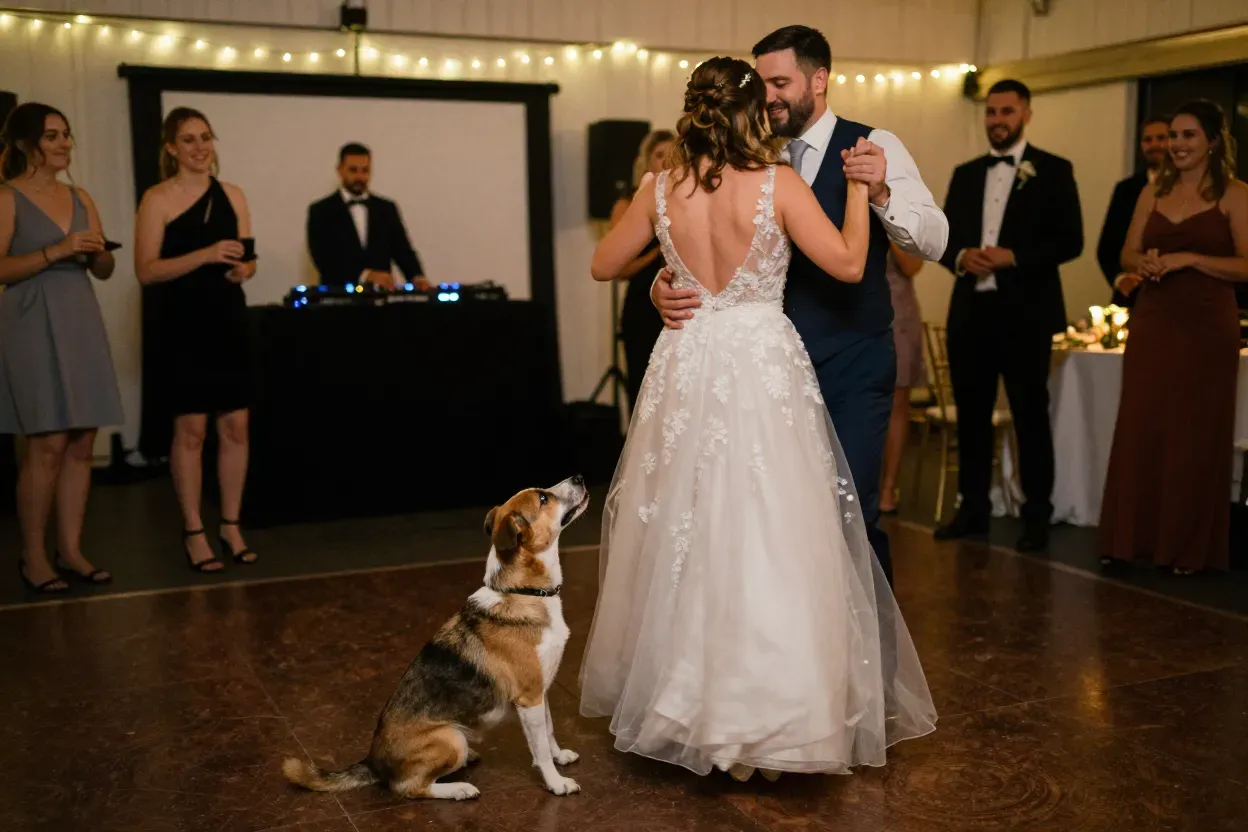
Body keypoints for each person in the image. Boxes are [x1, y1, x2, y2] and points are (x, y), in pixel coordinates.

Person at [580, 56, 935, 783]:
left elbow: (600, 263)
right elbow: (843, 264)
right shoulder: (779, 184)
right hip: (760, 362)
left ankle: (687, 709)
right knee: (770, 533)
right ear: (753, 113)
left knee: (687, 531)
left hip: (687, 362)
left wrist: (663, 269)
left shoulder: (661, 185)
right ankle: (773, 721)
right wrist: (861, 197)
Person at [651, 26, 948, 587]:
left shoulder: (872, 143)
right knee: (771, 517)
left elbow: (932, 239)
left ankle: (867, 659)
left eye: (781, 82)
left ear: (819, 79)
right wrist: (659, 286)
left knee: (851, 510)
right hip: (764, 374)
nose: (769, 97)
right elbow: (696, 243)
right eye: (761, 84)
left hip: (852, 360)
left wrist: (881, 193)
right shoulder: (747, 153)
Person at [934, 79, 1083, 552]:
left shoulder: (1055, 171)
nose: (997, 120)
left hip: (1026, 315)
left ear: (1026, 114)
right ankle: (972, 508)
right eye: (991, 113)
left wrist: (1012, 256)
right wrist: (961, 258)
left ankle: (1037, 514)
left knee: (1029, 415)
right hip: (971, 313)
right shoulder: (966, 172)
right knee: (972, 416)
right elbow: (943, 238)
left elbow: (1071, 241)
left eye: (1006, 112)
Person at [1099, 100, 1247, 575]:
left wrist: (1188, 260)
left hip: (1208, 324)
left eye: (1187, 136)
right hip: (1154, 318)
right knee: (1143, 425)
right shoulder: (1153, 193)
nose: (1177, 145)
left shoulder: (1237, 194)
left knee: (1195, 432)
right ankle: (1131, 541)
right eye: (1173, 136)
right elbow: (1125, 251)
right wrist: (1139, 263)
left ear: (1211, 141)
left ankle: (1187, 550)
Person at [0, 102, 124, 593]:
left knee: (80, 440)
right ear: (28, 144)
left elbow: (105, 270)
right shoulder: (7, 198)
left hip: (79, 315)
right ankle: (32, 556)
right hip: (30, 318)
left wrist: (96, 253)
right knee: (46, 442)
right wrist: (56, 250)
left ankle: (70, 549)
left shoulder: (80, 196)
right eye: (53, 136)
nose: (65, 143)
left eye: (67, 135)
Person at [134, 107, 259, 573]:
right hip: (182, 322)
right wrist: (205, 253)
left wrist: (243, 268)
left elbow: (249, 260)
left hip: (227, 317)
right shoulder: (157, 199)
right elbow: (146, 271)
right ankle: (192, 529)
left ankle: (230, 524)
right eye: (188, 139)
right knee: (191, 431)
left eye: (205, 137)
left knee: (236, 427)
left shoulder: (233, 195)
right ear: (171, 148)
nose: (200, 147)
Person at [306, 143, 430, 291]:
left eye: (365, 170)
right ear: (339, 170)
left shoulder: (387, 208)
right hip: (339, 301)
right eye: (353, 170)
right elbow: (323, 259)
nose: (360, 177)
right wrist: (366, 276)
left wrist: (417, 276)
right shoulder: (321, 211)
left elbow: (402, 249)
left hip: (382, 302)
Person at [611, 129, 675, 414]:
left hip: (677, 305)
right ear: (647, 161)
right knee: (644, 390)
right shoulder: (629, 205)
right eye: (659, 154)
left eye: (672, 153)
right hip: (641, 305)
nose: (666, 160)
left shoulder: (686, 200)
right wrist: (658, 251)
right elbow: (621, 268)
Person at [1097, 115, 1169, 308]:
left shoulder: (1192, 188)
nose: (1154, 145)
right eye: (1147, 140)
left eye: (1161, 138)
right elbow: (1107, 246)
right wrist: (1120, 280)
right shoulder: (1126, 189)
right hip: (1134, 296)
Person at [880, 243, 925, 514]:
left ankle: (889, 485)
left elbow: (912, 266)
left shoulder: (900, 207)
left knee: (897, 403)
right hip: (853, 310)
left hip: (897, 313)